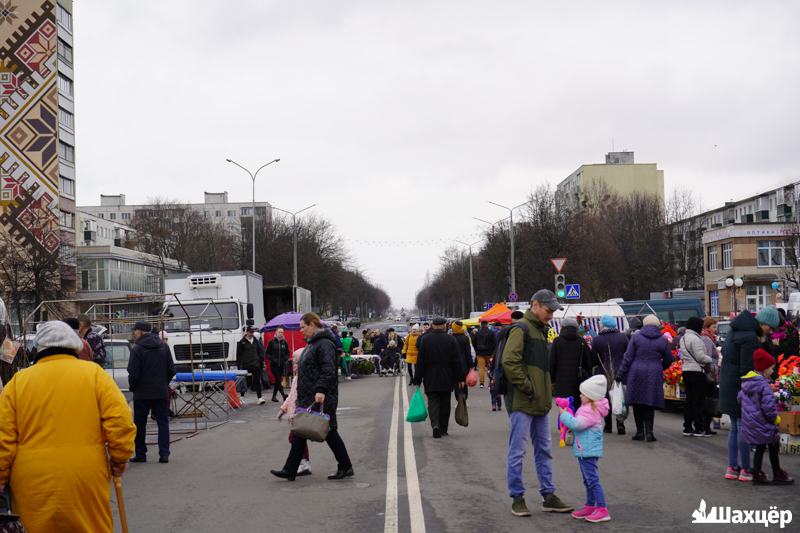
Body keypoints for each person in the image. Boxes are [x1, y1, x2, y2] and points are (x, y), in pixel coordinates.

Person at [0, 321, 136, 532]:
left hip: (31, 478)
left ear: (39, 348)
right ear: (75, 346)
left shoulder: (18, 383)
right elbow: (120, 421)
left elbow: (3, 437)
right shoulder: (94, 375)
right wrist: (120, 458)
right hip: (85, 474)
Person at [503, 290, 573, 516]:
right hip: (523, 402)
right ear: (535, 305)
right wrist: (529, 387)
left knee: (544, 450)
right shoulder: (521, 328)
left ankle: (548, 496)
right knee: (518, 451)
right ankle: (517, 497)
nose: (551, 315)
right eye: (548, 310)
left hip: (539, 402)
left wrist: (543, 390)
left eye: (553, 311)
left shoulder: (541, 331)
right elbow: (509, 361)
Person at [271, 313, 353, 481]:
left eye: (303, 327)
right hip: (310, 395)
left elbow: (328, 370)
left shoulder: (324, 344)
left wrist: (321, 390)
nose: (301, 331)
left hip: (320, 396)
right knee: (301, 432)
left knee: (329, 431)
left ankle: (345, 466)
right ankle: (290, 469)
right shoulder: (313, 343)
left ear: (313, 324)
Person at [720, 306, 780, 482]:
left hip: (728, 381)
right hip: (739, 385)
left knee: (735, 426)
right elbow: (747, 368)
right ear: (764, 323)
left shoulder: (735, 329)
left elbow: (725, 353)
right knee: (742, 428)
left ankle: (732, 467)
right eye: (771, 328)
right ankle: (746, 469)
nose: (771, 332)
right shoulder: (749, 337)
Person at [559, 375, 612, 523]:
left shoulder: (589, 410)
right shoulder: (588, 408)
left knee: (592, 480)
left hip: (587, 450)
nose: (580, 395)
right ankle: (590, 505)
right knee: (588, 480)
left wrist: (564, 416)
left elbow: (577, 425)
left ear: (591, 396)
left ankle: (602, 509)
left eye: (583, 394)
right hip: (586, 449)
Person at [738, 349, 794, 485]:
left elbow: (740, 398)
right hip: (765, 423)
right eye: (771, 368)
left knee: (760, 448)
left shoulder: (747, 382)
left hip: (754, 423)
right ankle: (777, 473)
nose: (773, 370)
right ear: (764, 369)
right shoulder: (764, 385)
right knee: (773, 447)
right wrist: (776, 419)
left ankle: (756, 474)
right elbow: (769, 408)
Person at [616, 315, 673, 443]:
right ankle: (650, 433)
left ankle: (640, 432)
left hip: (636, 371)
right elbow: (669, 359)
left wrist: (620, 373)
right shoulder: (663, 339)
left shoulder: (636, 337)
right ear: (658, 325)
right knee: (650, 402)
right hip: (654, 371)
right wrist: (659, 366)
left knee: (637, 402)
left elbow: (628, 357)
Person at [128, 321, 176, 463]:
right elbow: (171, 370)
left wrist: (133, 387)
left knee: (140, 424)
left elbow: (133, 373)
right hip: (160, 391)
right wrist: (163, 383)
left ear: (141, 331)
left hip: (142, 393)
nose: (134, 333)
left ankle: (141, 454)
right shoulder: (164, 346)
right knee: (163, 422)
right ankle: (164, 453)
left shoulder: (137, 348)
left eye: (135, 331)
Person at [412, 317, 465, 438]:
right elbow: (457, 360)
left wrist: (417, 380)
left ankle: (435, 425)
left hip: (430, 375)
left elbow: (420, 361)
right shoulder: (451, 339)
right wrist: (461, 378)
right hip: (447, 375)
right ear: (444, 326)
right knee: (445, 403)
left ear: (433, 326)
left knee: (433, 402)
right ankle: (443, 428)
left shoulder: (425, 339)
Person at [591, 315, 630, 435]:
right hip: (620, 371)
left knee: (605, 399)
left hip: (604, 372)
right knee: (619, 397)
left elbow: (594, 359)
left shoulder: (597, 340)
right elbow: (628, 354)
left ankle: (608, 425)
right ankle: (620, 423)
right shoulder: (623, 337)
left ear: (603, 325)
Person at [278, 347, 312, 476]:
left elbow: (300, 397)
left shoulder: (303, 378)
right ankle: (304, 463)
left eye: (297, 363)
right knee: (297, 439)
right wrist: (283, 409)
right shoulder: (296, 378)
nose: (294, 366)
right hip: (295, 414)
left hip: (299, 413)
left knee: (294, 438)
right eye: (293, 363)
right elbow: (291, 397)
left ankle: (304, 463)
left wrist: (297, 412)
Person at [679, 316, 714, 438]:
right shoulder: (696, 339)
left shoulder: (683, 338)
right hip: (697, 372)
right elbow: (700, 357)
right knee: (698, 401)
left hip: (686, 371)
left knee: (689, 400)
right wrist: (712, 359)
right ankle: (699, 427)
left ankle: (687, 427)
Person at [550, 318, 592, 405]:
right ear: (576, 328)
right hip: (578, 382)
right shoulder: (582, 342)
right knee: (577, 410)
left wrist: (552, 380)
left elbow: (552, 363)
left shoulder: (557, 341)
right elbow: (588, 362)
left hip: (561, 383)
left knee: (564, 410)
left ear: (563, 327)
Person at [700, 317, 721, 433]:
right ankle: (706, 426)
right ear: (707, 327)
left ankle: (705, 425)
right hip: (709, 373)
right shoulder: (707, 339)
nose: (715, 329)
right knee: (709, 399)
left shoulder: (708, 338)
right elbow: (707, 357)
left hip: (709, 372)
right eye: (713, 327)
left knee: (707, 399)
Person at [238, 326, 267, 405]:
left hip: (256, 364)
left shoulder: (256, 341)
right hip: (246, 365)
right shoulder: (241, 342)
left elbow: (260, 352)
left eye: (252, 332)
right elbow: (239, 355)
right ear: (246, 332)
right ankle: (242, 397)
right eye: (250, 332)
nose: (251, 333)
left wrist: (261, 362)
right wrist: (239, 366)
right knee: (245, 381)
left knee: (257, 381)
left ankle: (259, 398)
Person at [266, 327, 290, 400]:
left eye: (282, 332)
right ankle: (283, 394)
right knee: (278, 379)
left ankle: (274, 397)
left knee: (278, 380)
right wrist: (272, 359)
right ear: (276, 332)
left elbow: (287, 352)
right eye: (279, 332)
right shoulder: (271, 342)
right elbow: (267, 353)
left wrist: (285, 359)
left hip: (282, 364)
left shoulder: (284, 342)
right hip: (274, 365)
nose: (281, 334)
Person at [451, 321, 472, 401]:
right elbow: (468, 353)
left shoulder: (451, 338)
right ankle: (464, 397)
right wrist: (471, 366)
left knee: (456, 382)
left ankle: (458, 398)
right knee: (464, 381)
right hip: (464, 364)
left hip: (454, 364)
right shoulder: (465, 338)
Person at [474, 320, 497, 388]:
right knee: (490, 368)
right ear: (487, 324)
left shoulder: (477, 333)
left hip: (480, 353)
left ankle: (481, 383)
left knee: (481, 368)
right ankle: (490, 382)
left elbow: (474, 342)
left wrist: (476, 350)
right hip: (489, 353)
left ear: (481, 325)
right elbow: (495, 343)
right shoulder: (491, 332)